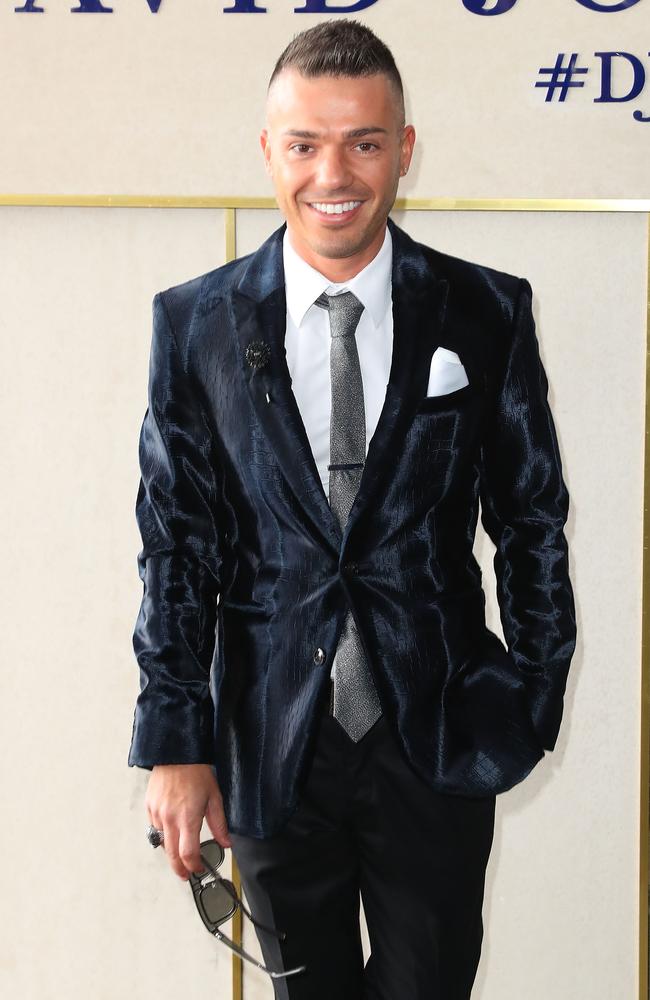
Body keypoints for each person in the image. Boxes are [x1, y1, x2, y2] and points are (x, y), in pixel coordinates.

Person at [128, 18, 577, 1000]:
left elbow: (530, 520)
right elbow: (177, 546)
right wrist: (175, 741)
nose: (331, 172)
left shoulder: (482, 311)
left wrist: (531, 698)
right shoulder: (194, 323)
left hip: (440, 729)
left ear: (402, 151)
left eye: (362, 142)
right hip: (267, 734)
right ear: (267, 154)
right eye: (303, 144)